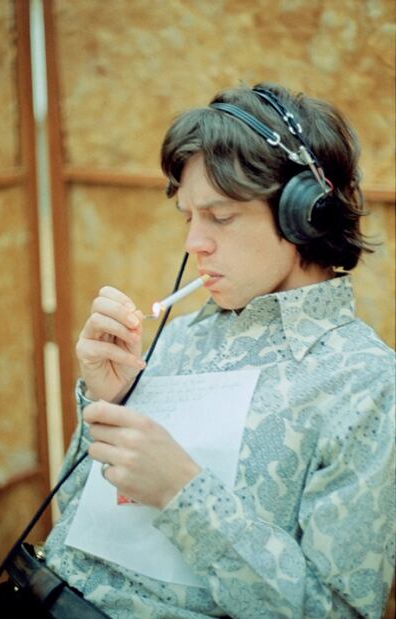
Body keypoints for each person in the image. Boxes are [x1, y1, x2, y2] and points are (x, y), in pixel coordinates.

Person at [43, 82, 395, 618]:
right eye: (189, 216)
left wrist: (185, 493)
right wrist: (105, 402)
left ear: (305, 214)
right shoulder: (175, 339)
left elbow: (336, 612)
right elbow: (70, 525)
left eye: (221, 216)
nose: (194, 243)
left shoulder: (365, 384)